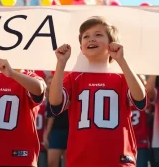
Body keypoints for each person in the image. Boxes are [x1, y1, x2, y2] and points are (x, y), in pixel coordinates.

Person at [49, 16, 146, 167]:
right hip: (80, 160)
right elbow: (55, 102)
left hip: (119, 160)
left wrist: (122, 60)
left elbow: (140, 99)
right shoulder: (74, 78)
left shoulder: (121, 78)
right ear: (81, 47)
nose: (91, 39)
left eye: (98, 35)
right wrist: (61, 64)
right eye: (86, 36)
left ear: (112, 44)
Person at [45, 74, 69, 167]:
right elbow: (50, 118)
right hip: (56, 131)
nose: (50, 84)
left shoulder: (63, 92)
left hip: (69, 130)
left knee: (67, 162)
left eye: (52, 82)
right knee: (52, 162)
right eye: (49, 83)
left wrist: (46, 135)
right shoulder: (48, 97)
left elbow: (51, 118)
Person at [131, 76, 150, 167]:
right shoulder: (122, 98)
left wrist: (137, 76)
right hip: (127, 142)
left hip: (140, 143)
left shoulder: (143, 101)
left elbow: (147, 92)